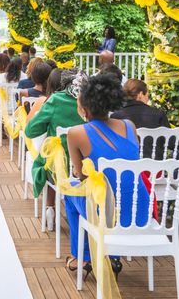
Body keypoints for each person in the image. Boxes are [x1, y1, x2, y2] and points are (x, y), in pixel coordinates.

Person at [64, 73, 149, 276]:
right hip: (139, 208)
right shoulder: (129, 126)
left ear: (84, 107)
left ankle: (83, 258)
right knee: (110, 191)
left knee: (70, 194)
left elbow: (82, 177)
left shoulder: (76, 133)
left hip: (107, 213)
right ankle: (112, 258)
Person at [25, 70, 87, 230]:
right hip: (89, 169)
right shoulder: (92, 102)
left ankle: (50, 208)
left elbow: (30, 131)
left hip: (60, 170)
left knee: (51, 161)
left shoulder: (56, 100)